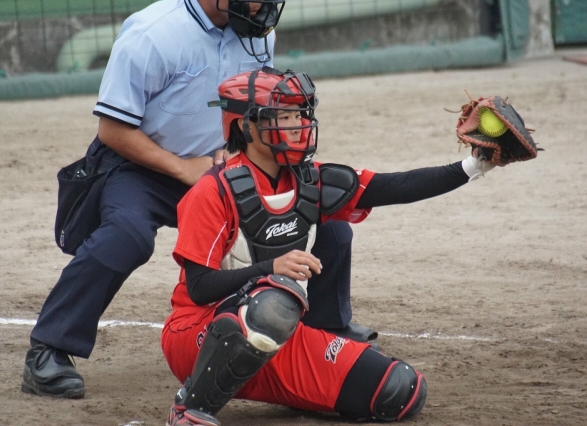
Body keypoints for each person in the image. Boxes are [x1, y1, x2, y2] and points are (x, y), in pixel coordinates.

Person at [22, 0, 371, 400]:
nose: (263, 4)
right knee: (127, 234)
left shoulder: (257, 29)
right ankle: (49, 348)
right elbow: (112, 130)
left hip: (222, 165)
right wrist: (183, 168)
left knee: (323, 216)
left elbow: (255, 113)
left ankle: (328, 330)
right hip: (140, 166)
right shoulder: (152, 35)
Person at [160, 67, 502, 425]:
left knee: (400, 391)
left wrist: (474, 165)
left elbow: (391, 187)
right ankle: (190, 409)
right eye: (284, 115)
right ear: (246, 127)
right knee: (274, 300)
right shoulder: (212, 191)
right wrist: (269, 269)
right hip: (198, 336)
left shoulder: (311, 180)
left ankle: (302, 382)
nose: (297, 124)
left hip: (277, 333)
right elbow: (198, 288)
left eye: (299, 114)